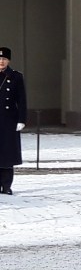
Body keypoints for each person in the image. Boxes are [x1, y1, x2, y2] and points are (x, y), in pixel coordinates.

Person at [0, 47, 26, 195]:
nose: (1, 61)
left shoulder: (16, 76)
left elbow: (21, 100)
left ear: (8, 60)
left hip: (9, 120)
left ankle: (6, 185)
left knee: (7, 154)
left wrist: (22, 119)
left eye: (4, 59)